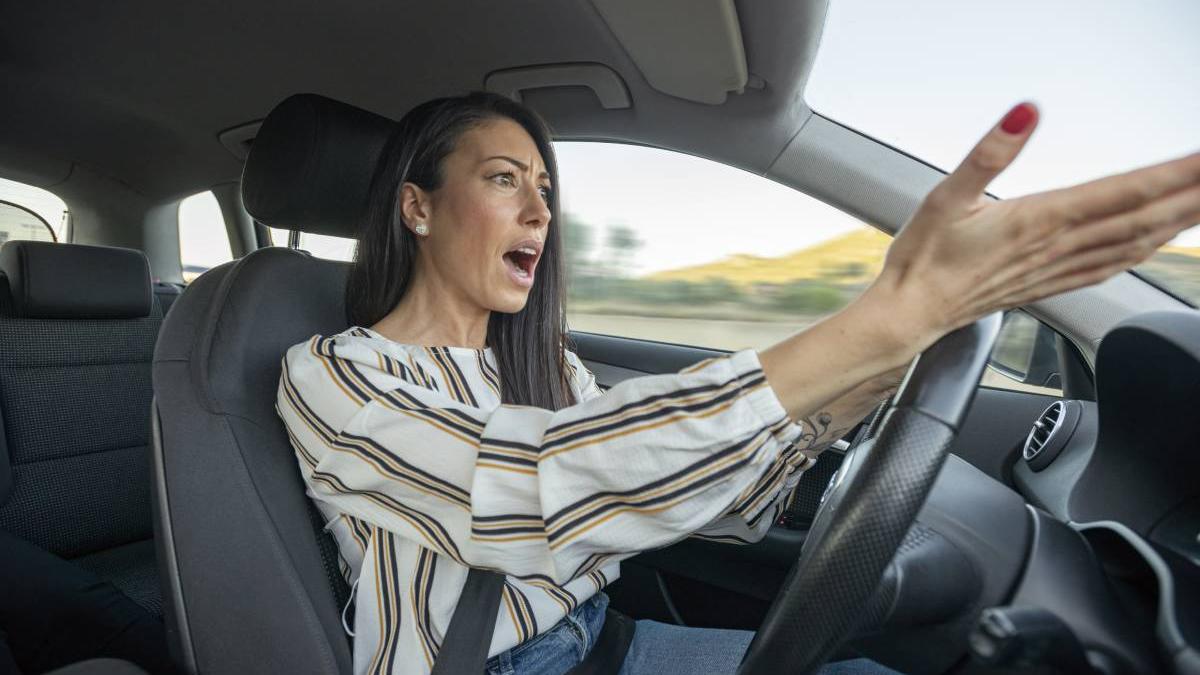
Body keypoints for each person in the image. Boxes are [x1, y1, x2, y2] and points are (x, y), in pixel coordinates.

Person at [277, 92, 1200, 675]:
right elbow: (536, 484)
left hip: (608, 640)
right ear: (417, 206)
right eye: (505, 179)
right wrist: (876, 318)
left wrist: (866, 374)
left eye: (548, 191)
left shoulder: (540, 362)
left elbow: (686, 499)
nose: (540, 211)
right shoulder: (332, 377)